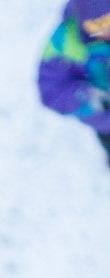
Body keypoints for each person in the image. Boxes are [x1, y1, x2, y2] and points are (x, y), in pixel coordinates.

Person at [38, 6, 110, 164]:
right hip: (105, 120)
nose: (106, 30)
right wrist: (89, 97)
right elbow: (51, 91)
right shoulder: (63, 45)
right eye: (97, 25)